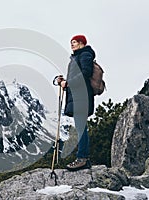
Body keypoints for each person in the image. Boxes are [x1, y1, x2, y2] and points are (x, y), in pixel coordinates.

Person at [57, 35, 95, 171]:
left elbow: (85, 73)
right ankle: (83, 158)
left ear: (81, 43)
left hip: (81, 97)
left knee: (81, 128)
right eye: (71, 43)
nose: (72, 45)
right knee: (80, 128)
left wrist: (68, 83)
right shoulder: (77, 57)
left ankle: (82, 158)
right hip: (78, 97)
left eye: (74, 42)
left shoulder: (84, 55)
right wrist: (63, 81)